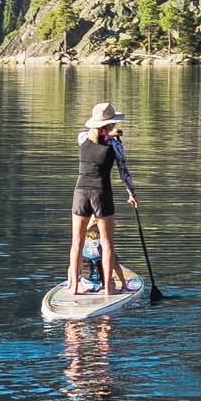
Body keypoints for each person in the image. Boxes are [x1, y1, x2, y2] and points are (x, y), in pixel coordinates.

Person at [70, 103, 135, 295]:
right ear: (110, 124)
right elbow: (124, 172)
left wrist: (110, 135)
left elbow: (95, 138)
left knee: (77, 242)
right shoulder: (115, 145)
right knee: (107, 243)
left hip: (80, 192)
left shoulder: (82, 138)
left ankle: (73, 287)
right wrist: (132, 194)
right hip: (101, 193)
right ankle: (108, 289)